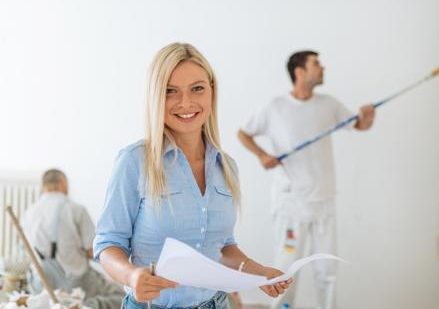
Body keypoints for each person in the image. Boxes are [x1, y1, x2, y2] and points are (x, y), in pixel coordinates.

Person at [93, 43, 293, 309]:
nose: (185, 103)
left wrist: (257, 271)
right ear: (155, 96)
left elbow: (221, 246)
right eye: (170, 91)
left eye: (197, 88)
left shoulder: (227, 167)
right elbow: (108, 244)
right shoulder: (134, 162)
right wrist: (130, 274)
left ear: (211, 90)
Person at [237, 51, 376, 309]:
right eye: (316, 64)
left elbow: (358, 125)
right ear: (300, 71)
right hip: (291, 203)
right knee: (285, 270)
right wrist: (262, 155)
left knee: (327, 271)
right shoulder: (274, 107)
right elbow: (243, 133)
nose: (322, 67)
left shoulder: (329, 104)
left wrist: (367, 119)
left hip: (324, 201)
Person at [22, 169, 126, 309]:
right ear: (64, 183)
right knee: (123, 295)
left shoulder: (28, 214)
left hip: (41, 285)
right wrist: (121, 265)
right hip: (75, 285)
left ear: (42, 187)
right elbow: (94, 251)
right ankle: (90, 304)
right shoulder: (75, 210)